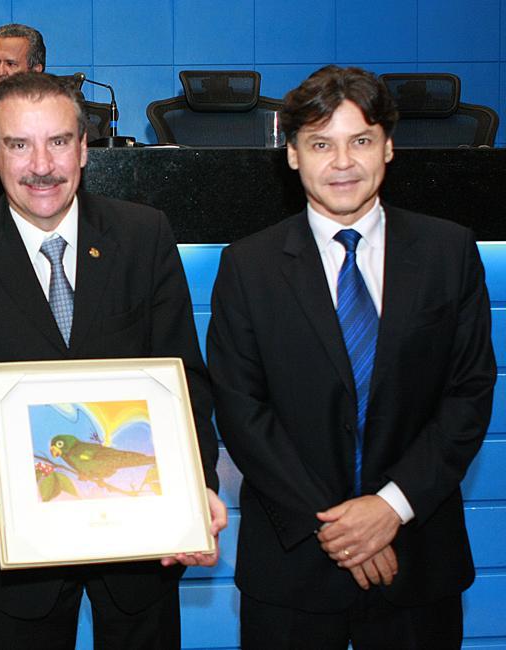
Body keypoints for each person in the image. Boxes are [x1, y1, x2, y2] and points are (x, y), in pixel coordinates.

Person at [0, 72, 226, 649]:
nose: (42, 164)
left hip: (143, 537)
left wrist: (196, 488)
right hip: (21, 541)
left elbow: (184, 377)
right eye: (19, 145)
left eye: (59, 141)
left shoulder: (144, 235)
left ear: (85, 148)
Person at [207, 65, 496, 649]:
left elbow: (467, 396)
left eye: (360, 140)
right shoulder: (248, 267)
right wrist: (342, 527)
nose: (342, 163)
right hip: (293, 571)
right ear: (291, 155)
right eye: (320, 144)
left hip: (417, 562)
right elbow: (242, 414)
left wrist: (390, 509)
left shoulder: (449, 252)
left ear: (388, 147)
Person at [0, 24, 109, 148]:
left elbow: (92, 151)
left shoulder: (64, 106)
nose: (0, 71)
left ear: (35, 71)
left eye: (11, 64)